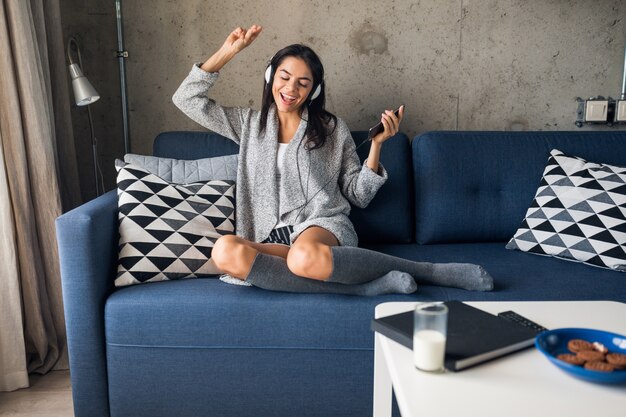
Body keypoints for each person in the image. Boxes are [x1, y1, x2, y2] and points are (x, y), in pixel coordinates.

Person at [173, 25, 494, 295]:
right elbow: (186, 98)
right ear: (270, 77)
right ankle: (364, 287)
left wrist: (377, 146)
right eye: (284, 77)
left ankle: (429, 271)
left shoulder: (330, 129)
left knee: (303, 256)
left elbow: (359, 194)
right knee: (225, 251)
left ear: (313, 91)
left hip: (320, 226)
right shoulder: (248, 124)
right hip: (267, 237)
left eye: (303, 83)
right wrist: (228, 51)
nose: (290, 89)